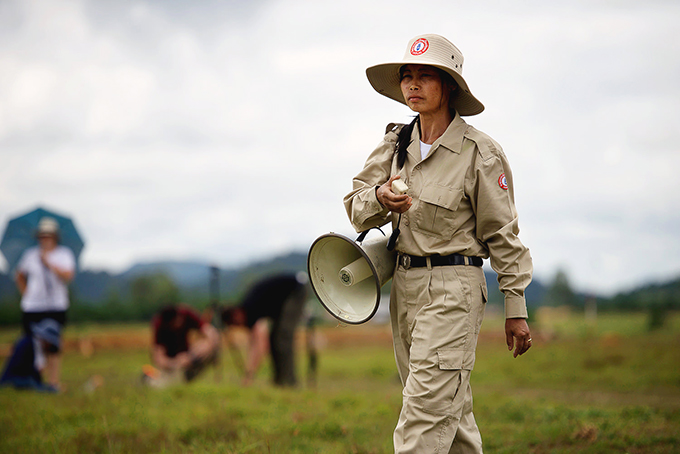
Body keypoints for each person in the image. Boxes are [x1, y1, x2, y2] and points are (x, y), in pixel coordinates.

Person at [343, 34, 533, 453]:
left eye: (425, 76)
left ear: (449, 86)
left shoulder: (479, 152)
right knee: (452, 413)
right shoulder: (395, 145)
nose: (412, 84)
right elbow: (355, 207)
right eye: (407, 77)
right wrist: (379, 197)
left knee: (423, 415)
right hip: (404, 288)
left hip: (454, 289)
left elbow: (503, 234)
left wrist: (515, 308)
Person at [14, 216, 76, 391]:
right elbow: (19, 275)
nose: (45, 239)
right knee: (32, 343)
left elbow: (68, 276)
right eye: (43, 236)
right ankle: (33, 379)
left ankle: (53, 382)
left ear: (55, 236)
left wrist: (49, 264)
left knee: (53, 343)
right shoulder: (30, 255)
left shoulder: (64, 254)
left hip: (56, 305)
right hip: (33, 306)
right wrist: (27, 294)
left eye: (48, 235)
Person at [221, 272, 308, 387]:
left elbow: (259, 344)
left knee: (283, 336)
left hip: (295, 290)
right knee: (274, 338)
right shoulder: (247, 310)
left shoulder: (251, 308)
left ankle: (289, 382)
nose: (239, 326)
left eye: (235, 323)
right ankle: (279, 380)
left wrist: (249, 374)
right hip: (283, 299)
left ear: (237, 315)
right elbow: (256, 342)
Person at [149, 304, 220, 383]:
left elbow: (209, 332)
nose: (175, 326)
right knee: (160, 380)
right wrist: (175, 363)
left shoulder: (186, 314)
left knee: (207, 346)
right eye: (172, 325)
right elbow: (158, 357)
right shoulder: (159, 324)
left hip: (189, 355)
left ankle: (187, 375)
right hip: (172, 363)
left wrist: (191, 356)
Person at [0, 318, 61, 393]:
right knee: (32, 384)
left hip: (22, 379)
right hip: (13, 380)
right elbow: (21, 369)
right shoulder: (27, 343)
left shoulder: (35, 344)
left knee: (35, 384)